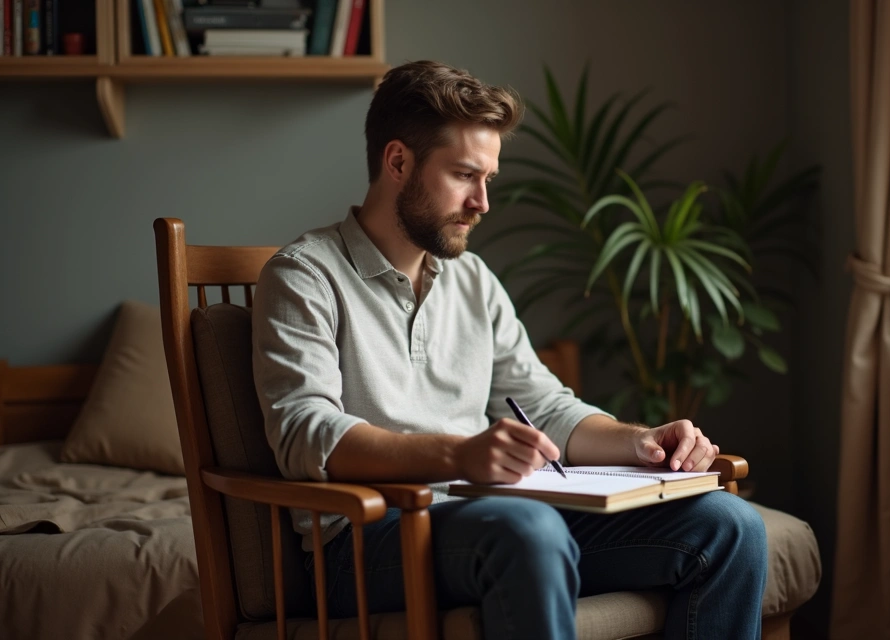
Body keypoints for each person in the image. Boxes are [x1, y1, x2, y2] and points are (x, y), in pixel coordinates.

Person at [251, 60, 766, 640]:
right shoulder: (304, 277)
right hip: (366, 537)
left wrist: (639, 441)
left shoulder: (471, 280)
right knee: (528, 529)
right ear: (398, 162)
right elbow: (305, 434)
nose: (482, 203)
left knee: (728, 526)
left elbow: (543, 405)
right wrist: (459, 456)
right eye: (465, 175)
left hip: (496, 522)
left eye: (488, 179)